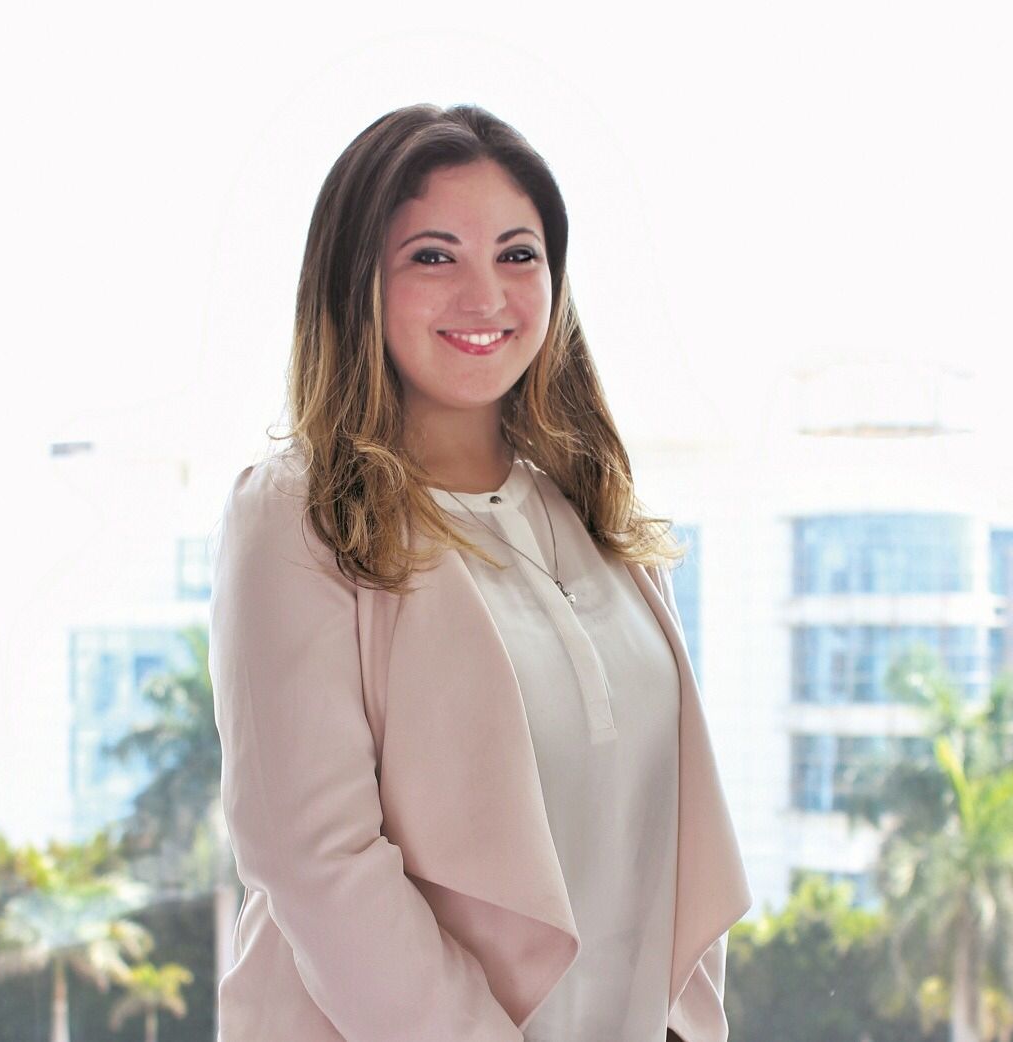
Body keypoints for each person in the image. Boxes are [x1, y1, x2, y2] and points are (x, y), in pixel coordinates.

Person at [207, 102, 751, 1042]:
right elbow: (316, 861)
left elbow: (666, 832)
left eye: (517, 254)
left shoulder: (595, 511)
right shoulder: (297, 513)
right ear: (357, 279)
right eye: (433, 256)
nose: (485, 295)